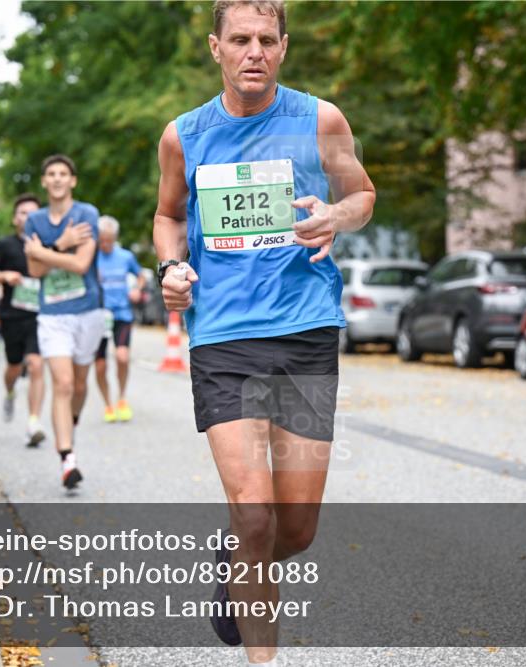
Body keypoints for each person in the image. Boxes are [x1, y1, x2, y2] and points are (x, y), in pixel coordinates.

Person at [153, 2, 375, 663]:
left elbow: (362, 195)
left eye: (266, 40)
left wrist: (336, 214)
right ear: (215, 47)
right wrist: (170, 267)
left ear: (283, 47)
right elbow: (168, 216)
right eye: (240, 39)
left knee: (295, 529)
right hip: (222, 338)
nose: (254, 51)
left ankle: (238, 561)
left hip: (305, 333)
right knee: (254, 511)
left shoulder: (321, 120)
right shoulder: (183, 136)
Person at [25, 155, 106, 489]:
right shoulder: (34, 220)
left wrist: (44, 252)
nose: (57, 178)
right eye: (51, 173)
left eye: (63, 173)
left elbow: (81, 265)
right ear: (44, 181)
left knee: (80, 384)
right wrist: (61, 244)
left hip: (88, 310)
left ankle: (69, 423)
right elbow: (34, 271)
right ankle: (67, 458)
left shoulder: (87, 214)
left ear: (72, 181)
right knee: (63, 383)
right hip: (53, 314)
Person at [0, 193, 48, 447]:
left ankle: (33, 422)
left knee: (36, 365)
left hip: (41, 315)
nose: (28, 217)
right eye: (23, 213)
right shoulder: (4, 245)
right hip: (12, 315)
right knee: (14, 367)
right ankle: (9, 392)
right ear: (14, 218)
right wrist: (5, 276)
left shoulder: (47, 244)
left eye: (33, 213)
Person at [94, 215, 145, 423]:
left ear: (115, 238)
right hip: (98, 316)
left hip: (122, 313)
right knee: (100, 365)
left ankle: (122, 398)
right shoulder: (91, 256)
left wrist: (136, 289)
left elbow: (140, 276)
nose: (105, 244)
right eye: (102, 240)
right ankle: (108, 404)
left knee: (122, 357)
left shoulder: (125, 256)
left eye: (109, 240)